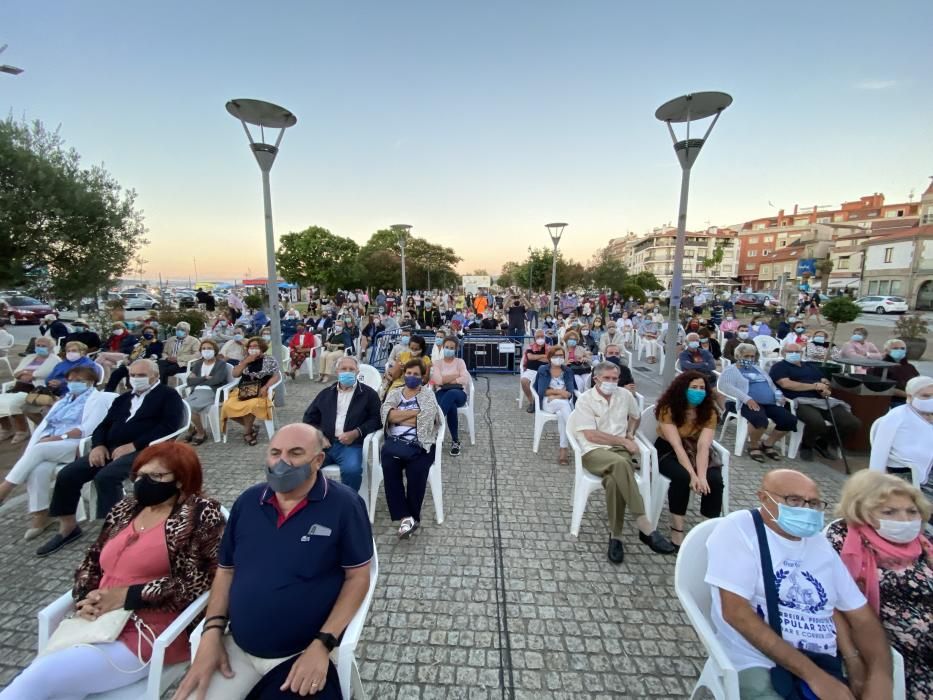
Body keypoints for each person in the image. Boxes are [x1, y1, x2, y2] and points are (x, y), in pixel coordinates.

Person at [1, 442, 224, 700]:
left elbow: (199, 581)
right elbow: (92, 559)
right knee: (53, 685)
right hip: (96, 619)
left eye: (157, 476)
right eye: (140, 475)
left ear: (180, 480)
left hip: (146, 628)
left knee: (39, 678)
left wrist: (127, 596)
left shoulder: (198, 514)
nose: (144, 482)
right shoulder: (126, 509)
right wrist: (85, 597)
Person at [173, 424, 372, 700]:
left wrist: (323, 644)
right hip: (237, 649)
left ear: (318, 461)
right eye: (275, 452)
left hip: (302, 652)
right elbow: (226, 571)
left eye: (295, 453)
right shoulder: (248, 502)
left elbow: (358, 577)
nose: (282, 462)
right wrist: (211, 632)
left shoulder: (344, 506)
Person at [705, 469, 893, 700]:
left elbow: (861, 616)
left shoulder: (818, 543)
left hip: (827, 660)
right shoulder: (740, 529)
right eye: (794, 500)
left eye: (813, 503)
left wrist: (879, 677)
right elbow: (736, 613)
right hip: (760, 660)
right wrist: (815, 677)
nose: (805, 509)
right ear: (764, 498)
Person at [37, 359, 186, 557]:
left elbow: (169, 427)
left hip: (148, 449)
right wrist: (98, 445)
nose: (135, 379)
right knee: (67, 474)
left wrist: (134, 445)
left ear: (155, 376)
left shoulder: (168, 396)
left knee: (106, 477)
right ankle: (68, 528)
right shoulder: (123, 399)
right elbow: (103, 425)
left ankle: (116, 530)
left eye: (141, 376)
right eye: (132, 375)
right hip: (110, 448)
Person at [826, 470, 932, 699]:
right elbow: (831, 604)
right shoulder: (843, 540)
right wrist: (852, 657)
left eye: (912, 511)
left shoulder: (924, 544)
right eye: (889, 512)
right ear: (862, 511)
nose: (904, 520)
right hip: (898, 654)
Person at [567, 362, 674, 563]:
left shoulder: (624, 395)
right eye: (607, 378)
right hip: (593, 451)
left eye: (615, 378)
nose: (611, 382)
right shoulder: (586, 400)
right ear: (596, 378)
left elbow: (635, 416)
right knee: (621, 465)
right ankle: (644, 525)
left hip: (620, 452)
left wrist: (631, 433)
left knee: (614, 480)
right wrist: (623, 440)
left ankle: (615, 536)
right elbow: (591, 435)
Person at [0, 366, 111, 539]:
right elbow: (47, 424)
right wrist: (49, 438)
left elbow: (88, 428)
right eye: (71, 380)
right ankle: (40, 516)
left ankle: (4, 489)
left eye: (80, 381)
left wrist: (59, 437)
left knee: (39, 449)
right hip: (51, 445)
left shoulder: (97, 399)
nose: (74, 384)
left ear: (91, 382)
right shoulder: (63, 401)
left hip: (75, 443)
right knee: (39, 469)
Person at [654, 372, 724, 550]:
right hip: (668, 450)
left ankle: (708, 530)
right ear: (683, 389)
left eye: (702, 388)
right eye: (694, 387)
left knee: (713, 479)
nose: (698, 391)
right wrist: (692, 475)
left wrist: (701, 476)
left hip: (694, 450)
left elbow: (703, 447)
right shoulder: (668, 408)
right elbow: (676, 445)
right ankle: (677, 531)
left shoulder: (709, 412)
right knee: (683, 477)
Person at [769, 343, 862, 461]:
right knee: (816, 422)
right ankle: (807, 446)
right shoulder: (779, 367)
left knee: (852, 423)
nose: (794, 354)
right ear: (783, 353)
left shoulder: (810, 366)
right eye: (790, 351)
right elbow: (786, 384)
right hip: (799, 401)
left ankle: (822, 442)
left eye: (797, 352)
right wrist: (813, 386)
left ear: (801, 353)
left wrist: (826, 388)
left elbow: (824, 380)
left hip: (821, 400)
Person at [380, 359, 441, 538]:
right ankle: (405, 517)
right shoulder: (395, 392)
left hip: (420, 443)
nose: (411, 377)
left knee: (417, 471)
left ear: (422, 377)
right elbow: (385, 415)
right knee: (389, 467)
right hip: (395, 443)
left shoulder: (428, 395)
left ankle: (412, 516)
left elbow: (428, 418)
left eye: (415, 374)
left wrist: (397, 416)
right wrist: (415, 414)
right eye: (408, 373)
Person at [302, 355, 381, 492]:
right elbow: (309, 418)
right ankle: (313, 501)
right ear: (337, 372)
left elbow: (377, 419)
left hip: (350, 446)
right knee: (303, 467)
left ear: (357, 372)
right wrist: (320, 436)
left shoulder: (368, 395)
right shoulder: (326, 394)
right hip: (325, 444)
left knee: (352, 471)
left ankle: (348, 505)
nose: (347, 372)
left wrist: (357, 432)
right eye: (343, 368)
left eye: (351, 369)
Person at [718, 343, 797, 463]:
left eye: (752, 356)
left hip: (769, 403)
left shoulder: (758, 369)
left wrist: (778, 394)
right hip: (748, 403)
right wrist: (746, 398)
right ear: (738, 356)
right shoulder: (732, 370)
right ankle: (753, 446)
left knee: (789, 420)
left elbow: (770, 384)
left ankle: (767, 444)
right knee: (760, 420)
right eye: (746, 356)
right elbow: (724, 386)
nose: (750, 359)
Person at [869, 376, 933, 490]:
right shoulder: (897, 415)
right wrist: (876, 482)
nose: (930, 400)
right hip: (905, 470)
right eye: (925, 396)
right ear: (910, 397)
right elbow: (880, 450)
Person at [0, 336, 61, 444]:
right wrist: (24, 373)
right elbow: (16, 373)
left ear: (51, 348)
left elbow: (39, 375)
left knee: (13, 403)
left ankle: (22, 431)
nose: (40, 347)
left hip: (35, 390)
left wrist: (25, 373)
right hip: (18, 387)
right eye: (38, 345)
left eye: (43, 346)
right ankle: (6, 428)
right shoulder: (29, 357)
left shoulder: (54, 360)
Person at [221, 337, 279, 447]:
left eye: (255, 346)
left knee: (251, 405)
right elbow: (235, 374)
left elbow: (276, 376)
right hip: (243, 390)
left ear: (262, 348)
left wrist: (266, 387)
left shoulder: (270, 359)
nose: (252, 348)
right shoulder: (245, 360)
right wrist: (245, 362)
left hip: (261, 391)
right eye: (250, 347)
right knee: (226, 407)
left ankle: (247, 433)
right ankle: (252, 427)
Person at [534, 345, 577, 466]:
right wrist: (559, 392)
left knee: (562, 414)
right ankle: (576, 432)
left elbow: (569, 391)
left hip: (561, 402)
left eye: (561, 356)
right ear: (550, 357)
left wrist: (557, 395)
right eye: (555, 356)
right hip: (547, 402)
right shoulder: (543, 370)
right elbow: (542, 391)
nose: (558, 358)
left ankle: (563, 450)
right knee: (563, 405)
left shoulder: (567, 371)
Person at [182, 339, 231, 445]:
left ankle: (201, 432)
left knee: (190, 407)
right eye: (203, 349)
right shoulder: (198, 364)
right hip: (196, 392)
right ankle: (191, 430)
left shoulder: (220, 364)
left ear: (215, 350)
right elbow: (189, 381)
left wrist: (199, 380)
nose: (206, 351)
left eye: (209, 348)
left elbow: (217, 380)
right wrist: (205, 378)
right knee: (179, 406)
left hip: (212, 393)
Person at [430, 336, 471, 456]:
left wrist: (446, 380)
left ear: (456, 349)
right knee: (451, 406)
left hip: (459, 393)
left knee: (452, 394)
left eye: (452, 348)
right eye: (447, 347)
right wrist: (455, 376)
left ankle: (435, 426)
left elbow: (465, 379)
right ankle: (455, 441)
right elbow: (436, 380)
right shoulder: (438, 363)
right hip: (441, 393)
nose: (449, 349)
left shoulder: (460, 362)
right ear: (443, 347)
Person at [105, 325, 164, 392]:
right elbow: (131, 353)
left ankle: (134, 388)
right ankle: (107, 392)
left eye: (151, 332)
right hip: (133, 364)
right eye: (146, 332)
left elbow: (158, 354)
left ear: (154, 334)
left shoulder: (158, 343)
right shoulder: (140, 343)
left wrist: (151, 358)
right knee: (117, 373)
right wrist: (126, 358)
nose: (148, 334)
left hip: (147, 365)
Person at [869, 338, 919, 405]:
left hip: (913, 398)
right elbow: (884, 388)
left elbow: (919, 383)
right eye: (895, 348)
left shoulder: (910, 367)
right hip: (892, 401)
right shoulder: (880, 367)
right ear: (886, 350)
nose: (900, 350)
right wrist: (909, 396)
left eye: (902, 348)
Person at [520, 331, 549, 414]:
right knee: (524, 381)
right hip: (531, 370)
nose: (540, 338)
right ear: (534, 338)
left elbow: (549, 359)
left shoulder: (549, 348)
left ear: (545, 337)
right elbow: (530, 357)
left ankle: (542, 402)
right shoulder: (530, 347)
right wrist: (543, 356)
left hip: (545, 370)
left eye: (542, 336)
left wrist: (536, 357)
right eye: (538, 337)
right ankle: (531, 402)